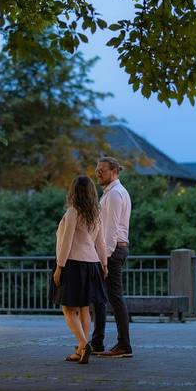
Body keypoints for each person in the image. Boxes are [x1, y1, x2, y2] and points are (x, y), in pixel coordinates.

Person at [48, 175, 109, 364]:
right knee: (84, 309)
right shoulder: (96, 213)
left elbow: (66, 242)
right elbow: (101, 241)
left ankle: (83, 344)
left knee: (68, 309)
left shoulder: (73, 212)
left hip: (73, 264)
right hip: (92, 264)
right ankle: (82, 350)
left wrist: (59, 266)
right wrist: (104, 264)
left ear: (74, 191)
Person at [90, 156, 133, 358]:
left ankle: (124, 346)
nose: (98, 174)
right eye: (97, 171)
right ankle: (97, 343)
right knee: (100, 297)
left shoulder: (115, 194)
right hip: (111, 251)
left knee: (115, 299)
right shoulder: (112, 193)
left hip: (112, 252)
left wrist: (104, 258)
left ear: (114, 171)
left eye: (102, 171)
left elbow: (111, 230)